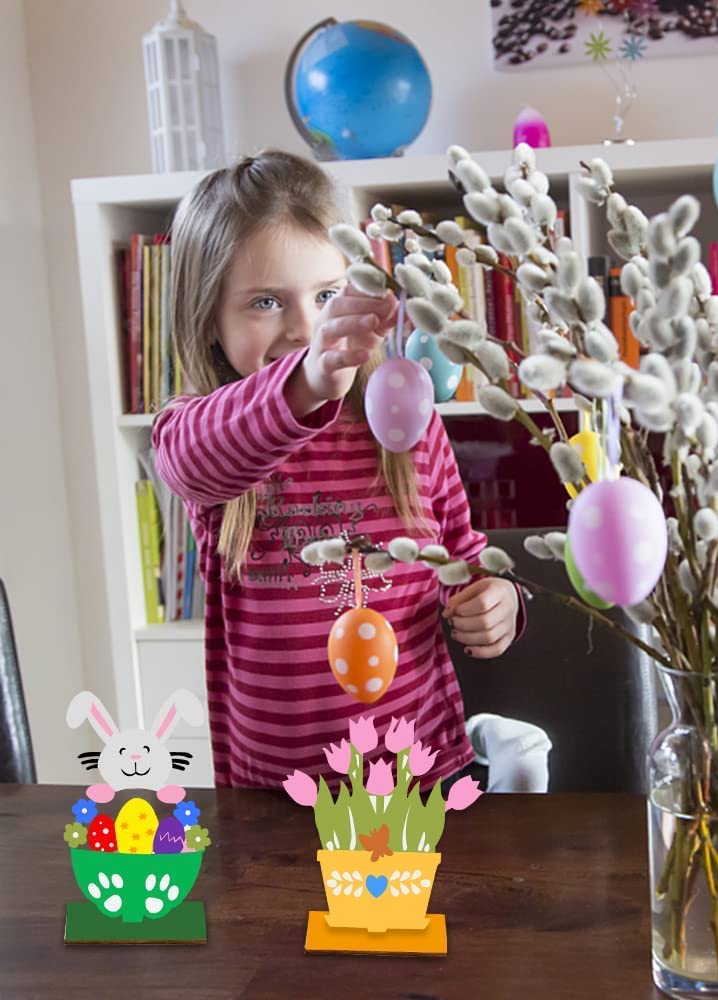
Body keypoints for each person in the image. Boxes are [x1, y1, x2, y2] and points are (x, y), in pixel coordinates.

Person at [153, 149, 547, 791]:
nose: (305, 327)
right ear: (209, 322)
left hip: (421, 781)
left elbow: (462, 560)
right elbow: (187, 460)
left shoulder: (404, 421)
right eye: (264, 302)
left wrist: (497, 599)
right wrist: (306, 383)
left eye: (326, 295)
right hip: (274, 796)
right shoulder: (214, 429)